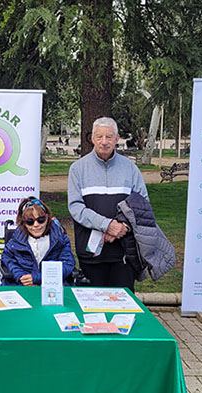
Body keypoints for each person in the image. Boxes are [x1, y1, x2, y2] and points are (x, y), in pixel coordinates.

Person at [68, 117, 149, 291]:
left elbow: (143, 204)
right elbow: (76, 207)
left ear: (117, 138)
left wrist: (122, 227)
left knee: (123, 308)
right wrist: (106, 225)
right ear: (92, 139)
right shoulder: (77, 169)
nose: (104, 142)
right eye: (99, 137)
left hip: (124, 253)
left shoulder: (131, 168)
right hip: (91, 254)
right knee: (92, 309)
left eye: (109, 137)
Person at [1, 197, 75, 286]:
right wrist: (21, 276)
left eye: (40, 220)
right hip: (21, 284)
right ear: (24, 222)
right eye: (30, 221)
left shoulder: (60, 238)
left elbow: (68, 264)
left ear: (47, 218)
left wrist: (38, 278)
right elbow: (7, 258)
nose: (36, 225)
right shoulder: (16, 239)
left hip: (52, 284)